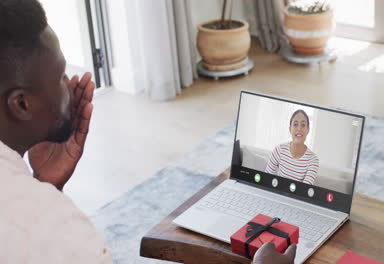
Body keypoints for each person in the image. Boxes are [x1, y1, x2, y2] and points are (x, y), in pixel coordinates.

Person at [0, 0, 296, 263]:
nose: (69, 83)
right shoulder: (51, 229)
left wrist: (47, 188)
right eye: (60, 74)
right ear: (22, 104)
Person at [265, 109, 319, 185]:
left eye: (303, 125)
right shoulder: (279, 150)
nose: (299, 129)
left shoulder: (313, 160)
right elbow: (266, 179)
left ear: (308, 130)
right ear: (290, 129)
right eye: (295, 124)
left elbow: (304, 190)